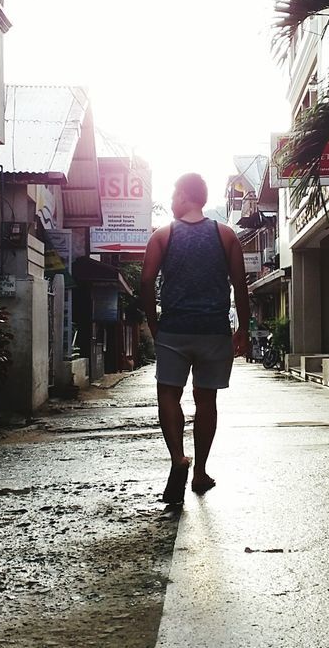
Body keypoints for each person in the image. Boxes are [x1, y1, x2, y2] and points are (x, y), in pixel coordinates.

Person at [140, 172, 249, 504]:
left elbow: (145, 282)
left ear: (186, 195)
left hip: (174, 328)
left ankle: (178, 458)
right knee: (207, 401)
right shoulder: (226, 235)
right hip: (214, 331)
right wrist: (242, 328)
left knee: (168, 395)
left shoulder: (162, 235)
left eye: (174, 193)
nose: (172, 200)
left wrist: (153, 324)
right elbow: (239, 285)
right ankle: (200, 471)